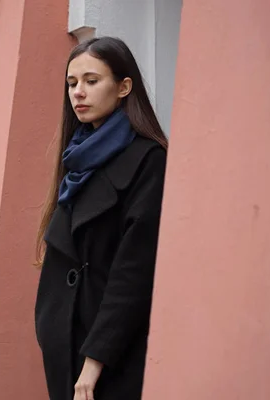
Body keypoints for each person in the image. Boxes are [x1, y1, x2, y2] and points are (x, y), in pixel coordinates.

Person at [34, 36, 168, 400]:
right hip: (65, 346)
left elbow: (134, 271)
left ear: (124, 87)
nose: (78, 93)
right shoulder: (75, 160)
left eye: (92, 81)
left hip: (112, 354)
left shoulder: (148, 160)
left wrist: (94, 362)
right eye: (72, 83)